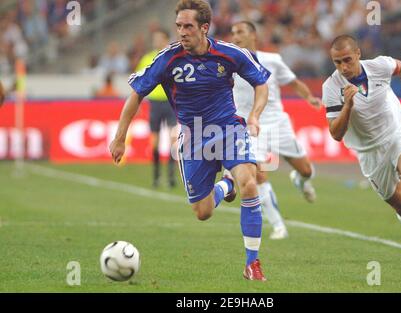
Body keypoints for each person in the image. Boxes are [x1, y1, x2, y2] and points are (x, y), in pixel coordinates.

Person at [109, 0, 270, 281]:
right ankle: (226, 184)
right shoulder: (167, 59)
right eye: (179, 26)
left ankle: (252, 263)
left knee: (251, 184)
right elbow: (136, 94)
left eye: (188, 26)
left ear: (204, 28)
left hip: (229, 129)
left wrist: (254, 115)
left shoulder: (229, 54)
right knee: (203, 211)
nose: (182, 32)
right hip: (193, 138)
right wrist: (120, 138)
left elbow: (261, 83)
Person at [322, 35, 401, 263]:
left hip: (395, 132)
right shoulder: (331, 87)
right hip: (369, 151)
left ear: (359, 54)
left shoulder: (379, 66)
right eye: (337, 62)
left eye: (347, 60)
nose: (343, 67)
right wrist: (348, 106)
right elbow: (336, 134)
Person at [230, 21, 322, 240]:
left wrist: (309, 97)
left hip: (277, 123)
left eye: (240, 32)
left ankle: (300, 181)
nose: (235, 36)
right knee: (259, 174)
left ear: (254, 35)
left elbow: (294, 82)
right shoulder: (229, 62)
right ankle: (279, 225)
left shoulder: (273, 60)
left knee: (306, 170)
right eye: (233, 33)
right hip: (250, 126)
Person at [136, 29, 178, 188]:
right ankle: (156, 176)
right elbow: (140, 82)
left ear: (167, 39)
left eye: (159, 39)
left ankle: (171, 176)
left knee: (173, 140)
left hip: (171, 102)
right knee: (155, 141)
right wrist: (138, 102)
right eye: (155, 39)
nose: (156, 42)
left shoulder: (174, 57)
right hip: (154, 103)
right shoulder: (147, 58)